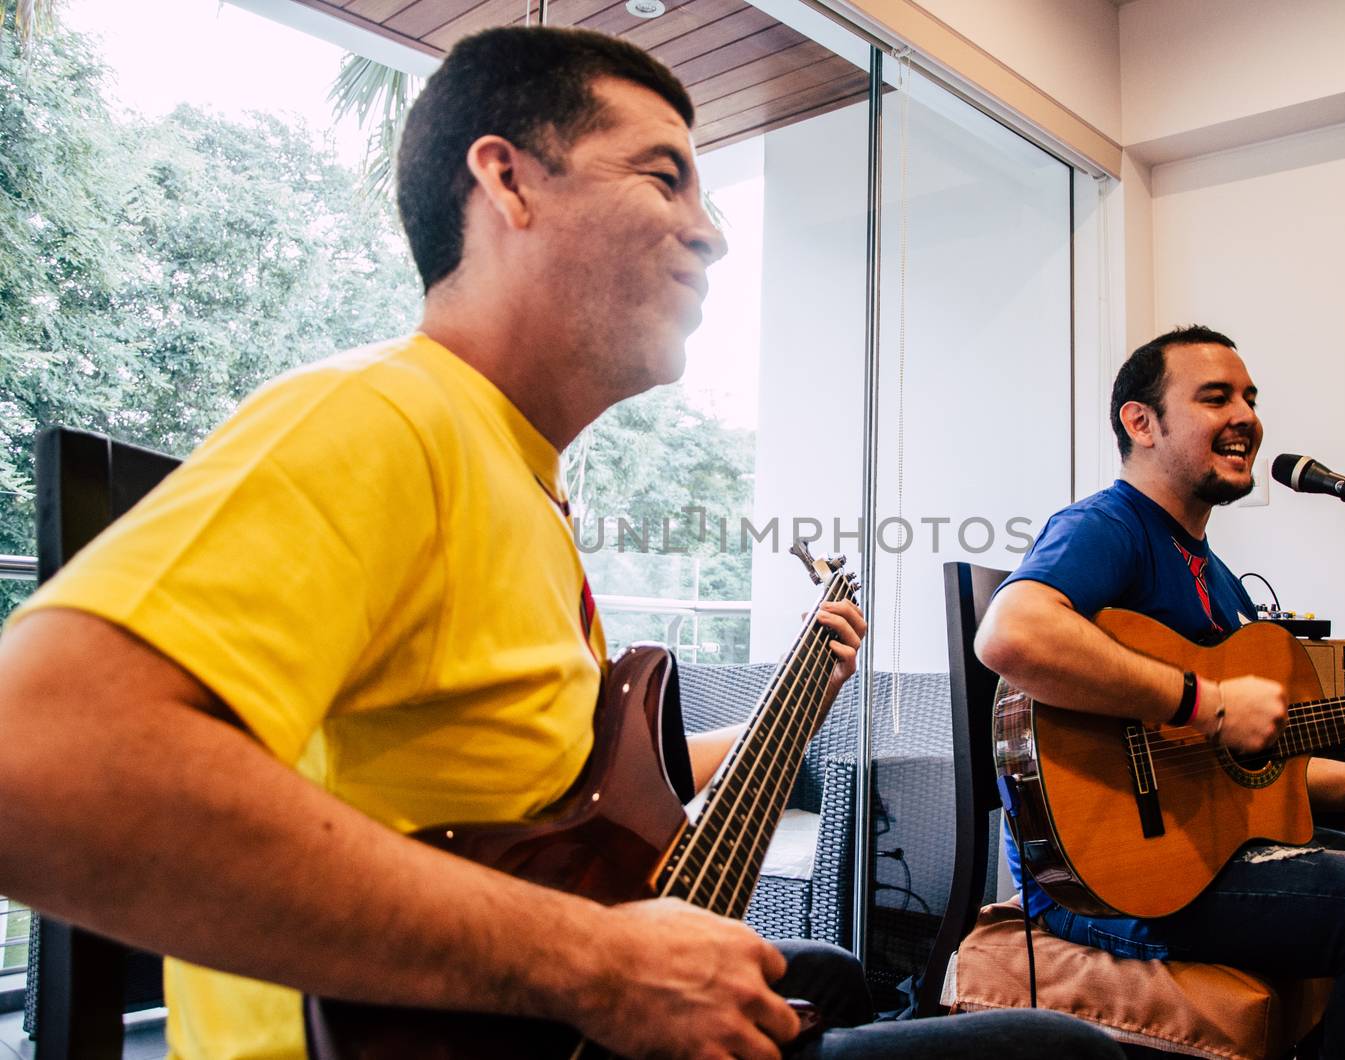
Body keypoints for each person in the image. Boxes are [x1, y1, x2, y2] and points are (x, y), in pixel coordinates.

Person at [0, 26, 1119, 1060]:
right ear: (507, 181)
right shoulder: (387, 417)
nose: (714, 232)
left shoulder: (523, 486)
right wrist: (594, 958)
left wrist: (798, 697)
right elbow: (39, 762)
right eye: (663, 174)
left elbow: (556, 794)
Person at [975, 325, 1345, 1059]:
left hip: (1211, 854)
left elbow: (1278, 776)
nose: (1246, 414)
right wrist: (1204, 705)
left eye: (1250, 397)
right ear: (1140, 422)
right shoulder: (1106, 525)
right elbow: (1010, 635)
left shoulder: (1217, 579)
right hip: (1111, 884)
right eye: (1217, 397)